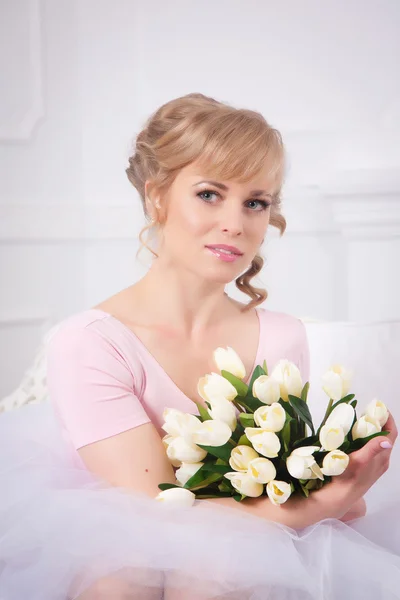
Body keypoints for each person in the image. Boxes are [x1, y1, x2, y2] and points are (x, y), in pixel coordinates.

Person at [0, 93, 399, 600]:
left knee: (216, 571)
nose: (235, 222)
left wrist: (339, 481)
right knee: (118, 578)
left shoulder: (281, 336)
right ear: (157, 197)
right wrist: (326, 502)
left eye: (256, 202)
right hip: (124, 543)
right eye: (210, 193)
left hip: (239, 548)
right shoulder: (90, 343)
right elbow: (160, 511)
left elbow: (282, 477)